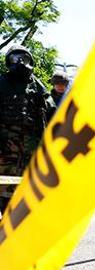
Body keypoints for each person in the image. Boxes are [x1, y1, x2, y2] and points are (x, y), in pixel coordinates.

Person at [0, 45, 55, 214]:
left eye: (23, 58)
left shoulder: (37, 86)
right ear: (9, 61)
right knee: (5, 192)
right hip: (4, 150)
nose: (19, 63)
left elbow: (52, 113)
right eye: (15, 58)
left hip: (31, 150)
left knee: (30, 192)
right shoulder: (1, 83)